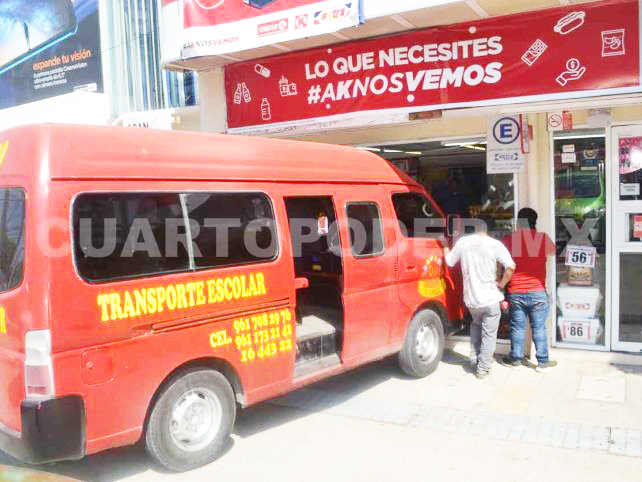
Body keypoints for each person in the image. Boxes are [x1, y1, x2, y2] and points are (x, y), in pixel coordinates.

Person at [443, 218, 515, 379]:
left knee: (476, 326)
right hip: (490, 299)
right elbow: (511, 267)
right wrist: (502, 284)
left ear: (472, 230)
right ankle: (482, 369)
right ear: (486, 231)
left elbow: (449, 262)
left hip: (472, 299)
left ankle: (474, 359)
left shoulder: (463, 242)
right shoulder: (495, 244)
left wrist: (444, 246)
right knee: (489, 335)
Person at [501, 208, 558, 373]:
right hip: (538, 291)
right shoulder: (542, 238)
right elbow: (553, 251)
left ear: (518, 222)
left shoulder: (509, 240)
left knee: (517, 327)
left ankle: (516, 359)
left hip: (515, 291)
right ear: (535, 221)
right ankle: (543, 363)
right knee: (539, 327)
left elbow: (502, 262)